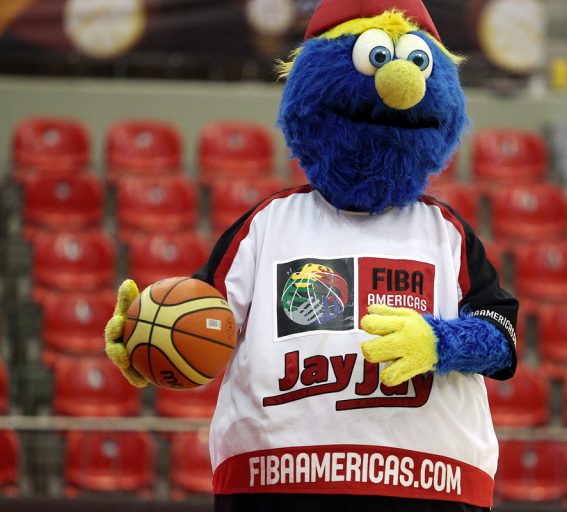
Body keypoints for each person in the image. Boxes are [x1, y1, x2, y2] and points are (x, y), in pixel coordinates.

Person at [105, 1, 518, 510]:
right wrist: (146, 333)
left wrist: (438, 343)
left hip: (427, 480)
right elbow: (200, 323)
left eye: (415, 63)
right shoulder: (267, 223)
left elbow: (502, 337)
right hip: (276, 477)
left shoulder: (447, 233)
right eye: (377, 60)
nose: (399, 84)